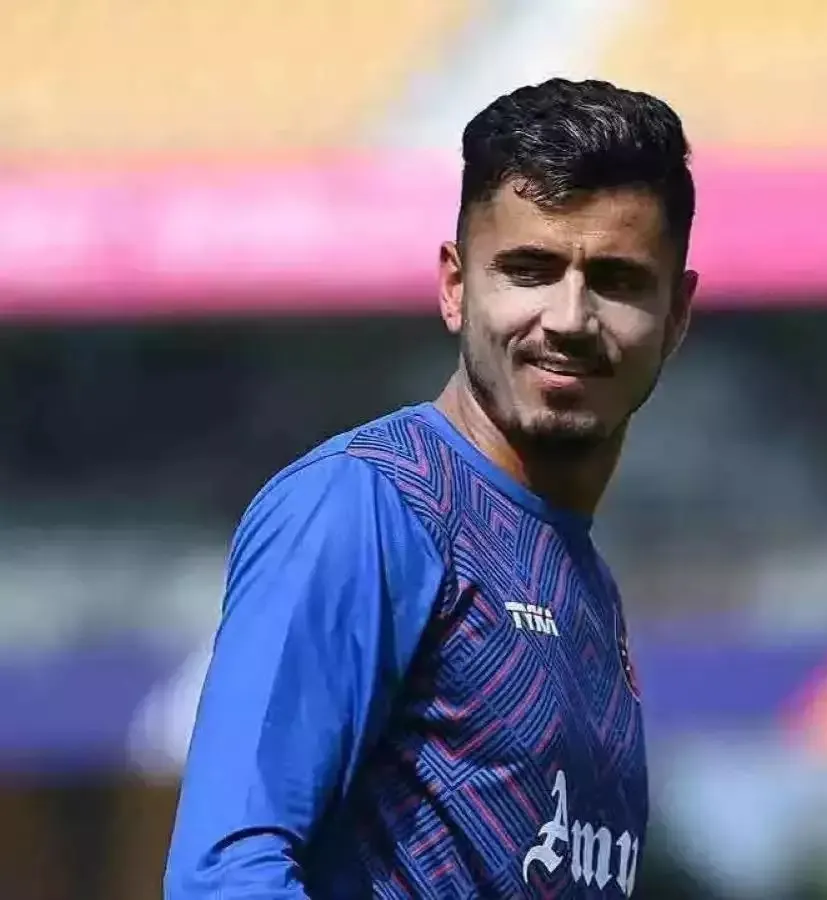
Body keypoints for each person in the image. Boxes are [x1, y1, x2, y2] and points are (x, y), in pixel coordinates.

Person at [163, 78, 699, 898]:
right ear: (455, 287)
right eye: (529, 270)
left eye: (618, 280)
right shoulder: (368, 505)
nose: (568, 318)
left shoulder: (585, 580)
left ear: (678, 315)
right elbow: (225, 874)